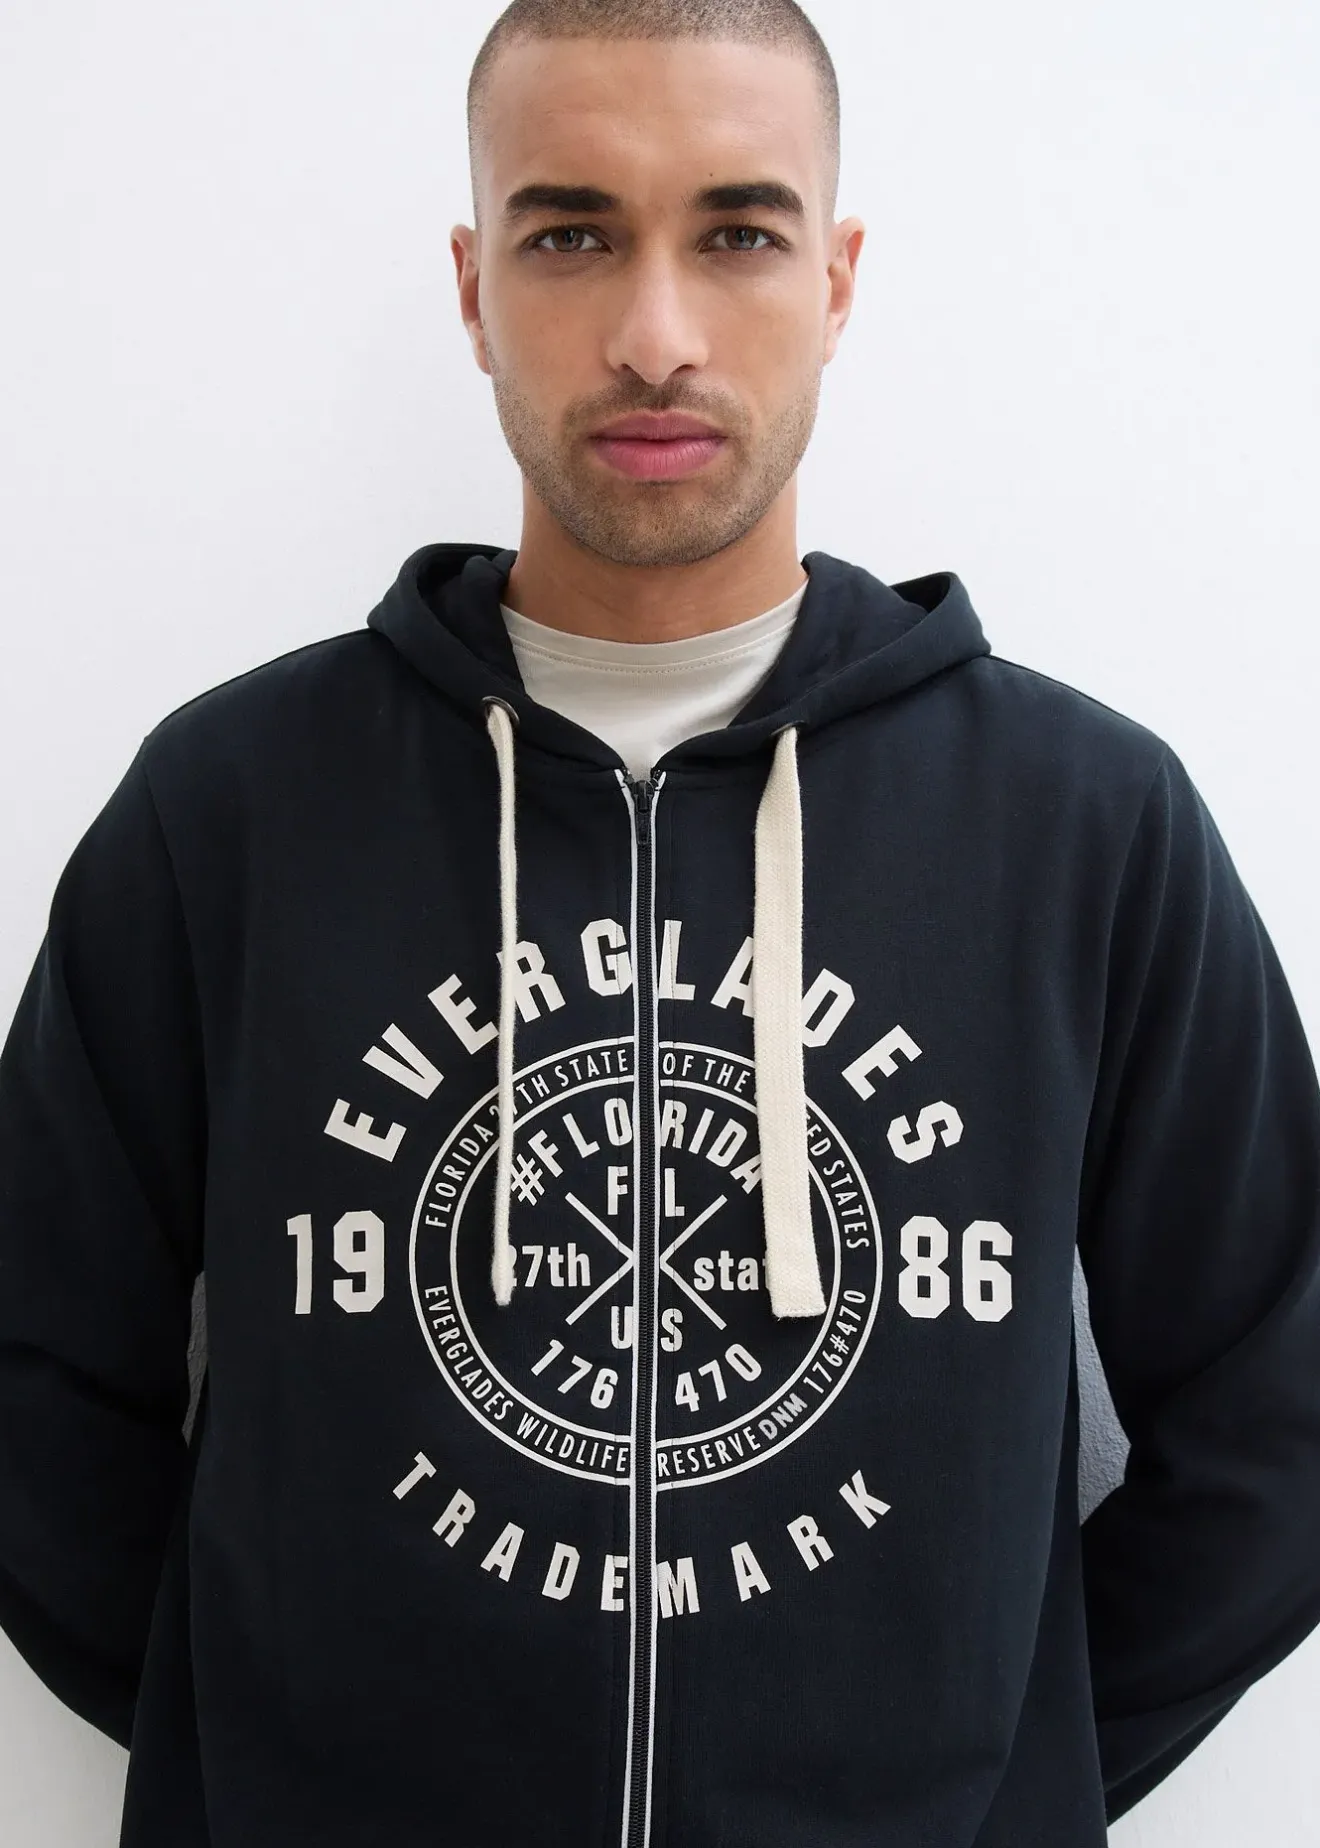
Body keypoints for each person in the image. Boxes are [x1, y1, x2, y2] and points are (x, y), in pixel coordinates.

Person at [2, 0, 1318, 1842]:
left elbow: (1280, 1412)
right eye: (571, 235)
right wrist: (262, 1760)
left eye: (737, 233)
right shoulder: (224, 810)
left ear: (835, 281)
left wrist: (1003, 1777)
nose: (655, 334)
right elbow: (33, 1376)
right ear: (475, 288)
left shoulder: (1088, 824)